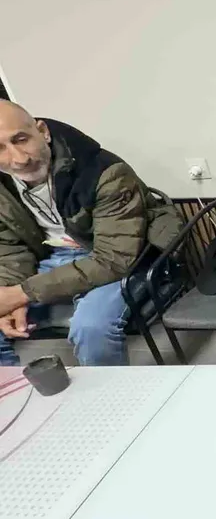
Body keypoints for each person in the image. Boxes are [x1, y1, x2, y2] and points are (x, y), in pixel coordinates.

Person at [0, 101, 182, 366]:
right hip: (54, 255)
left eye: (21, 139)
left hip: (120, 256)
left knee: (92, 328)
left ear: (43, 132)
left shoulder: (104, 172)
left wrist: (22, 293)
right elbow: (11, 249)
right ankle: (12, 386)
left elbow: (114, 259)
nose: (19, 159)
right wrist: (9, 296)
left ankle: (110, 392)